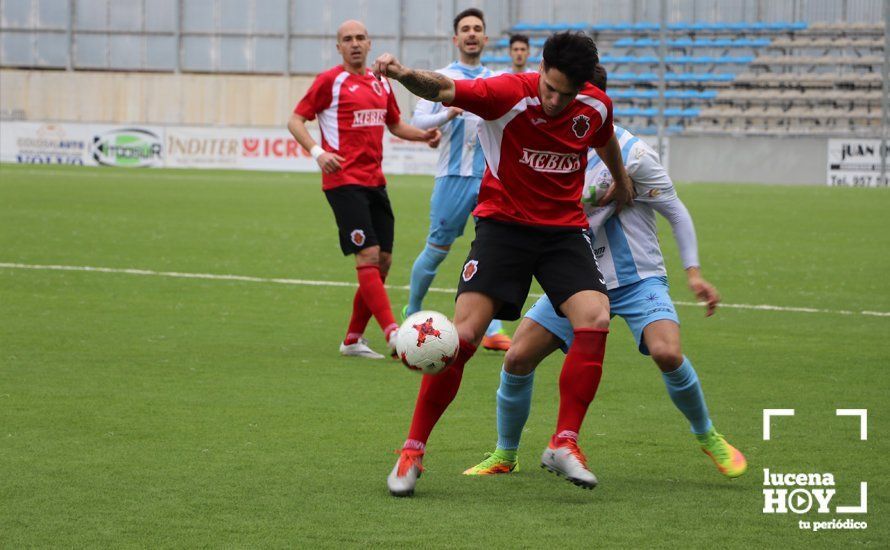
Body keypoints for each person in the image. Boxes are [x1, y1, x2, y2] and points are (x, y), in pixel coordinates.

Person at [373, 31, 635, 497]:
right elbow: (443, 89)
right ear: (540, 68)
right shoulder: (505, 93)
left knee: (595, 317)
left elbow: (606, 138)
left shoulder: (594, 105)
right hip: (503, 228)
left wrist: (620, 179)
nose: (555, 101)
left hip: (562, 232)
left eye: (566, 94)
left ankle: (564, 444)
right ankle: (411, 451)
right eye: (549, 88)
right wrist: (401, 73)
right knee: (465, 336)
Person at [462, 67, 748, 480]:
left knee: (667, 352)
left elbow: (676, 211)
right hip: (575, 278)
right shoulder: (543, 142)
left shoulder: (634, 156)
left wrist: (694, 273)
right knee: (518, 358)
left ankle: (708, 436)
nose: (558, 105)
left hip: (637, 279)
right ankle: (505, 454)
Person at [288, 20, 440, 360]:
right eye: (347, 39)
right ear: (338, 47)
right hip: (343, 181)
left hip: (375, 181)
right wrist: (319, 152)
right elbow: (296, 120)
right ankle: (393, 334)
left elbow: (396, 124)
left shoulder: (380, 82)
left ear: (370, 44)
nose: (354, 43)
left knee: (383, 261)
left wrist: (425, 136)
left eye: (360, 38)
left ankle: (353, 339)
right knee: (368, 256)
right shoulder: (330, 81)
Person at [407, 7, 511, 352]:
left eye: (477, 28)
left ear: (484, 38)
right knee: (436, 250)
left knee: (492, 252)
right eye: (465, 28)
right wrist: (447, 112)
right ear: (456, 39)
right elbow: (419, 123)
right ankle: (413, 310)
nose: (470, 33)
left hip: (489, 181)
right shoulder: (440, 77)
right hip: (452, 176)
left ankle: (493, 327)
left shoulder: (497, 80)